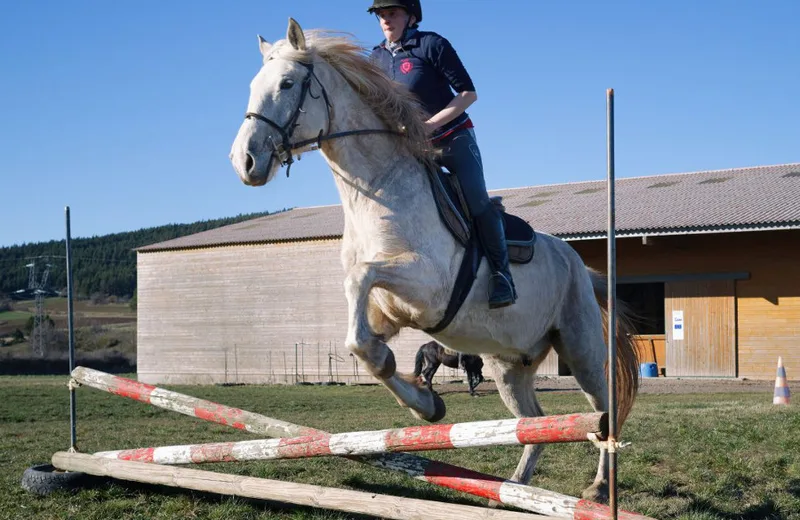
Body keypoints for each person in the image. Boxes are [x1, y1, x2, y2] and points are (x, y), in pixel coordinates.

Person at [367, 0, 517, 309]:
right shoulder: (376, 57)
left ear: (411, 16)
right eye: (381, 14)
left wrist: (431, 124)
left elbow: (468, 94)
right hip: (412, 148)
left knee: (477, 202)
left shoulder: (431, 44)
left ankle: (502, 276)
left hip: (453, 139)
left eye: (392, 13)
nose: (385, 20)